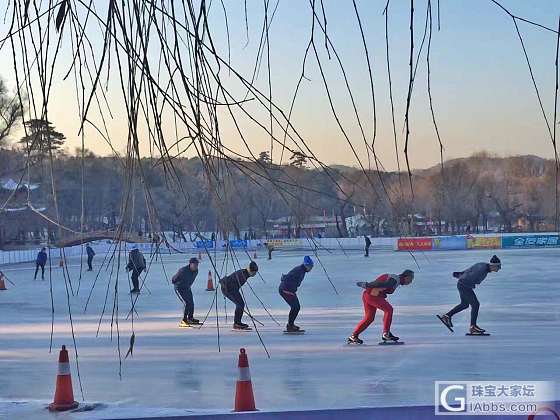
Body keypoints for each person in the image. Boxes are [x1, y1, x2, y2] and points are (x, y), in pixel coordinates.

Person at [437, 255, 501, 335]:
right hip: (464, 285)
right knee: (475, 304)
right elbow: (469, 277)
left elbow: (468, 271)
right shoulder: (482, 270)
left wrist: (460, 274)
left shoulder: (482, 265)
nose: (499, 268)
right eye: (498, 266)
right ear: (493, 265)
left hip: (463, 284)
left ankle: (446, 316)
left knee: (464, 304)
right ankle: (473, 327)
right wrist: (462, 277)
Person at [348, 269, 415, 344]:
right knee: (389, 310)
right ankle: (386, 334)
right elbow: (385, 284)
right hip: (372, 296)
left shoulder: (396, 280)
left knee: (369, 318)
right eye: (411, 279)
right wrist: (367, 285)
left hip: (368, 295)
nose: (411, 282)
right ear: (407, 277)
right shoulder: (395, 279)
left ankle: (354, 336)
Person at [220, 261, 259, 330]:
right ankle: (237, 323)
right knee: (240, 304)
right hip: (228, 288)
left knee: (240, 304)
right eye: (254, 272)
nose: (255, 274)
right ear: (250, 270)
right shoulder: (243, 275)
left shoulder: (245, 272)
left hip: (231, 288)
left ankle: (237, 322)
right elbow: (230, 281)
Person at [279, 256, 314, 332]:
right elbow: (286, 277)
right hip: (285, 289)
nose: (311, 268)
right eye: (311, 266)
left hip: (290, 290)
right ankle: (290, 326)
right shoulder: (299, 270)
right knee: (295, 307)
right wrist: (290, 289)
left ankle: (290, 325)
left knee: (296, 307)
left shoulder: (302, 270)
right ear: (306, 265)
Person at [173, 257, 200, 327]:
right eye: (194, 265)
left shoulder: (196, 271)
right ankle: (184, 320)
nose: (196, 267)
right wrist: (179, 283)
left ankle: (190, 318)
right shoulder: (183, 271)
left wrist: (188, 285)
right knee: (186, 303)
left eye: (197, 265)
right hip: (179, 288)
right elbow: (173, 280)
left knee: (191, 302)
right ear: (190, 264)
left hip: (187, 288)